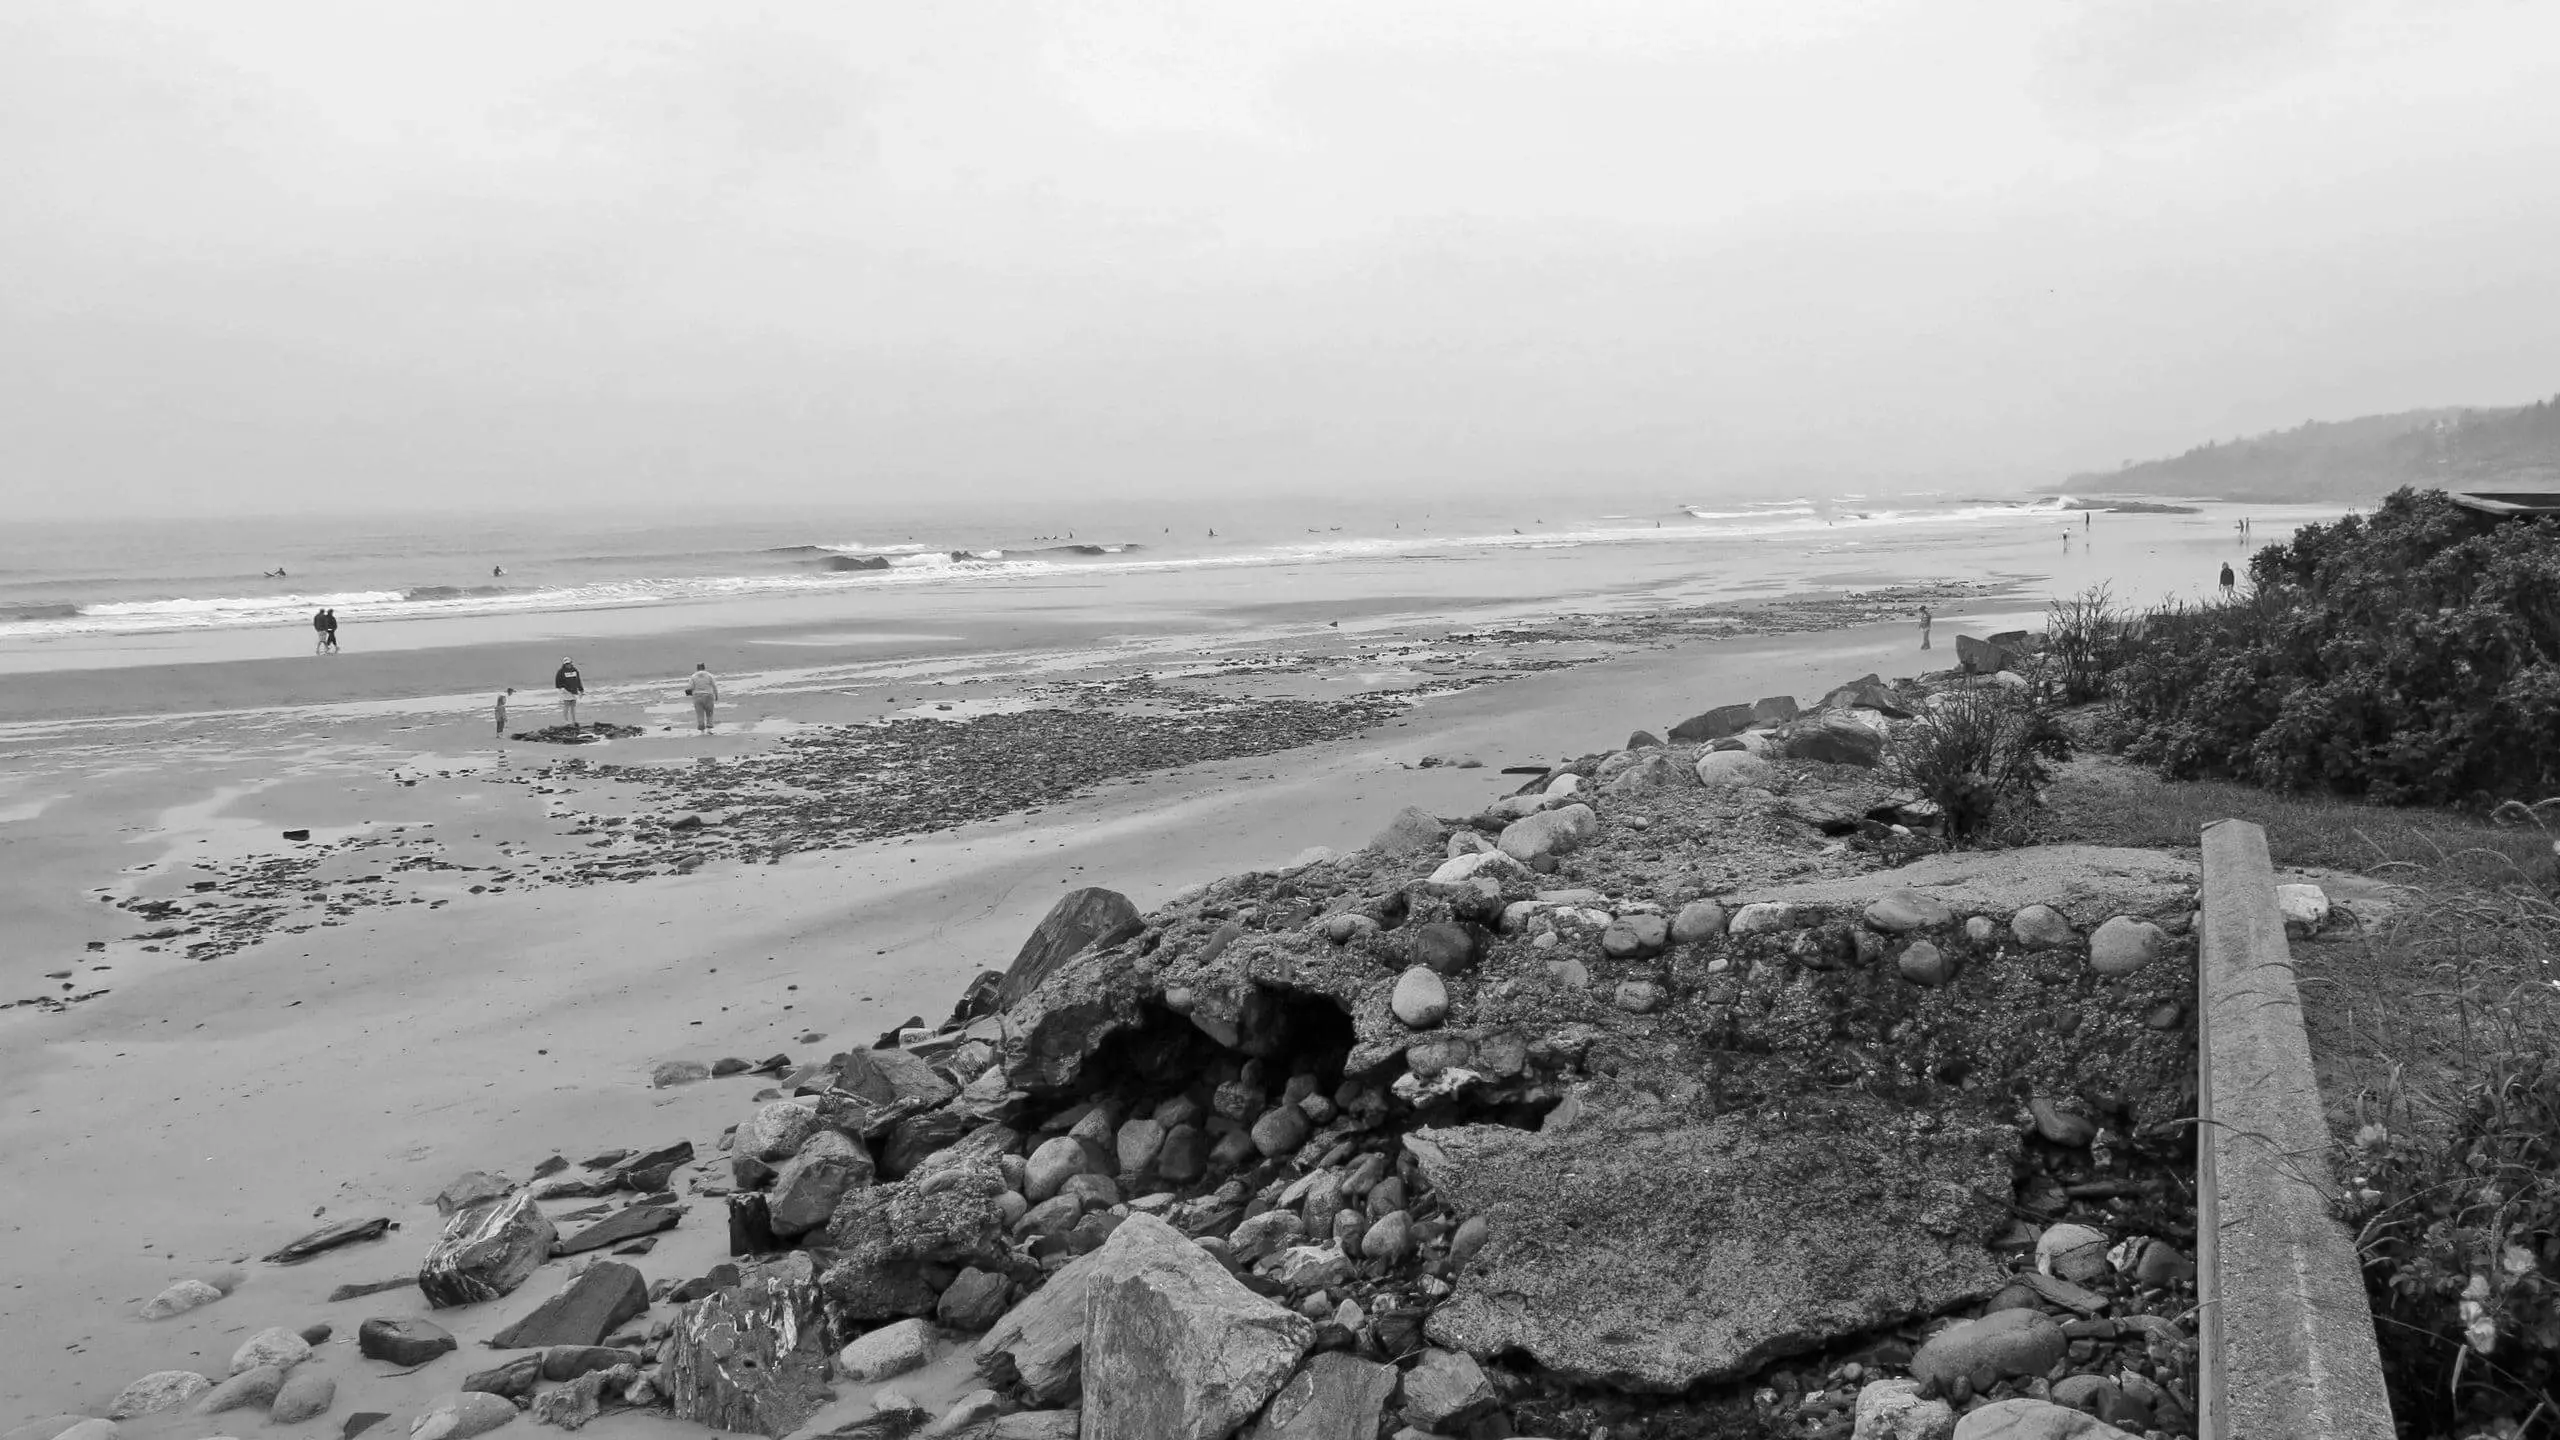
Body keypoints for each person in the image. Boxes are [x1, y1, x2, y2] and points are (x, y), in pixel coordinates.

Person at [685, 663, 719, 733]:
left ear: (697, 668)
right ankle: (709, 728)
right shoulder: (709, 675)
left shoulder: (693, 676)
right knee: (709, 712)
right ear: (704, 668)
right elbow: (714, 686)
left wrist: (690, 693)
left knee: (699, 713)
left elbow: (690, 687)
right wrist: (716, 695)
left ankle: (702, 730)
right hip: (708, 695)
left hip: (697, 696)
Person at [555, 657, 584, 727]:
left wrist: (581, 689)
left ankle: (574, 720)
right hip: (565, 691)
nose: (567, 665)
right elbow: (557, 681)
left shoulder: (575, 670)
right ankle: (566, 720)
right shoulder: (561, 671)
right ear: (564, 664)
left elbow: (578, 680)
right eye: (566, 664)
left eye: (569, 663)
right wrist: (561, 689)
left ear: (571, 663)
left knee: (573, 706)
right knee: (566, 705)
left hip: (573, 691)